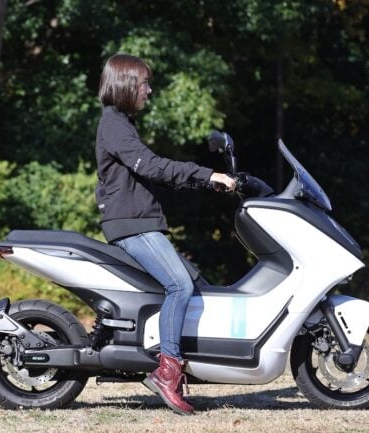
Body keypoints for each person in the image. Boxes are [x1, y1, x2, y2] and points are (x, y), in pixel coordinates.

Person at [95, 54, 236, 415]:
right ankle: (167, 372)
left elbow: (150, 174)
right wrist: (206, 175)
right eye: (144, 84)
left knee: (194, 282)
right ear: (126, 85)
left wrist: (205, 183)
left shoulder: (121, 124)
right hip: (132, 223)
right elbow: (153, 166)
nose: (149, 90)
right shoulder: (113, 125)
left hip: (138, 220)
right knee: (180, 286)